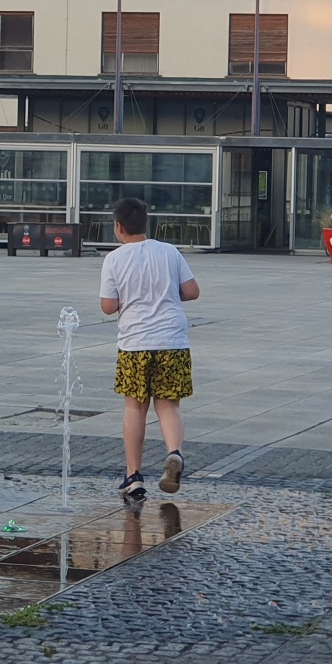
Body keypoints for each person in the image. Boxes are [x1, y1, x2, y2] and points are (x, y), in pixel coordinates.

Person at [99, 197, 200, 500]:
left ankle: (134, 476)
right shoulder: (169, 252)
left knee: (135, 407)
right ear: (147, 224)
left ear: (119, 227)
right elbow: (192, 291)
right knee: (168, 404)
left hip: (135, 344)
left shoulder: (114, 259)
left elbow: (108, 306)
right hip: (173, 341)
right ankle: (174, 453)